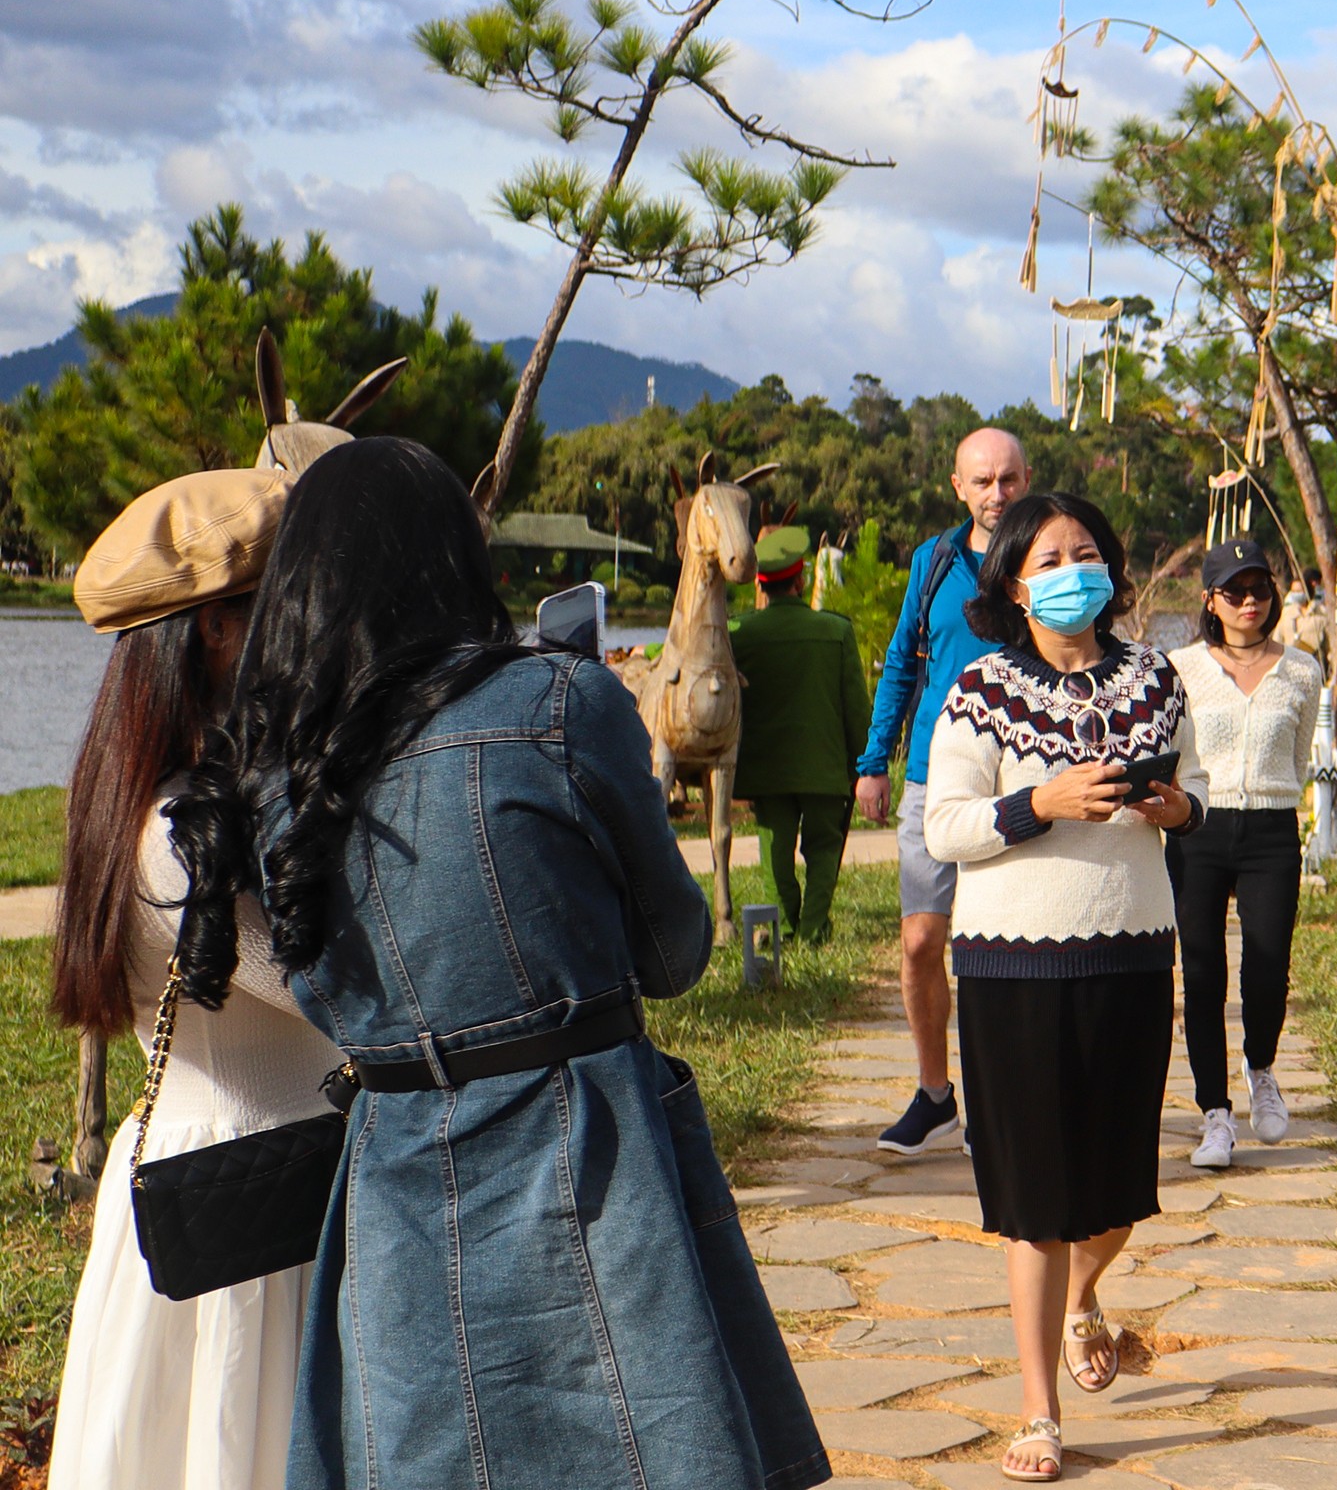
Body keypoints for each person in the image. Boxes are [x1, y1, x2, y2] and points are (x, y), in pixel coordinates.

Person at [172, 437, 823, 1490]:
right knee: (636, 1447)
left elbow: (326, 993)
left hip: (392, 1175)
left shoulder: (280, 775)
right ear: (454, 562)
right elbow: (676, 952)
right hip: (589, 1153)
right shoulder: (562, 704)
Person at [923, 493, 1205, 1483]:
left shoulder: (1155, 676)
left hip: (1130, 958)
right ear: (1011, 581)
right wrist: (1036, 801)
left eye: (1087, 554)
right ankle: (1040, 1414)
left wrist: (1179, 807)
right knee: (1036, 1200)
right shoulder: (979, 689)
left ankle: (1085, 1294)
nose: (1073, 570)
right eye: (1050, 557)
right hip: (1009, 967)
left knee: (1121, 1191)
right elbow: (943, 829)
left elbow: (1195, 783)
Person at [50, 468, 321, 1490]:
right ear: (216, 631)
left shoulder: (190, 795)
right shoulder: (177, 829)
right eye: (292, 611)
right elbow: (331, 996)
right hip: (241, 1216)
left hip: (250, 1192)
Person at [855, 426, 1029, 1154]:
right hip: (935, 777)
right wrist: (873, 761)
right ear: (957, 487)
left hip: (1023, 778)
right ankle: (935, 1095)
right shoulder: (934, 562)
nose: (997, 494)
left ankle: (1004, 1098)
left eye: (1009, 479)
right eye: (982, 481)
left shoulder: (1045, 556)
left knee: (1008, 947)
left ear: (1028, 479)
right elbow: (901, 664)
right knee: (924, 940)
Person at [1167, 538, 1321, 1170]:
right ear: (1211, 600)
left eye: (1260, 589)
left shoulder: (1304, 669)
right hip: (1199, 827)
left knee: (1266, 965)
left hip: (1271, 831)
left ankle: (1262, 1068)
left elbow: (1301, 753)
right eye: (1235, 591)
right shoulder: (1179, 667)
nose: (1250, 601)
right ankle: (1215, 1115)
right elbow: (1170, 749)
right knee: (1202, 973)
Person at [731, 523, 867, 944]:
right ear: (802, 578)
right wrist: (862, 764)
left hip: (767, 768)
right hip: (825, 766)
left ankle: (784, 927)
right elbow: (856, 708)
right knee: (823, 849)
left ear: (760, 583)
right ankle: (813, 930)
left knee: (775, 849)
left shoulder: (739, 633)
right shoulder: (836, 630)